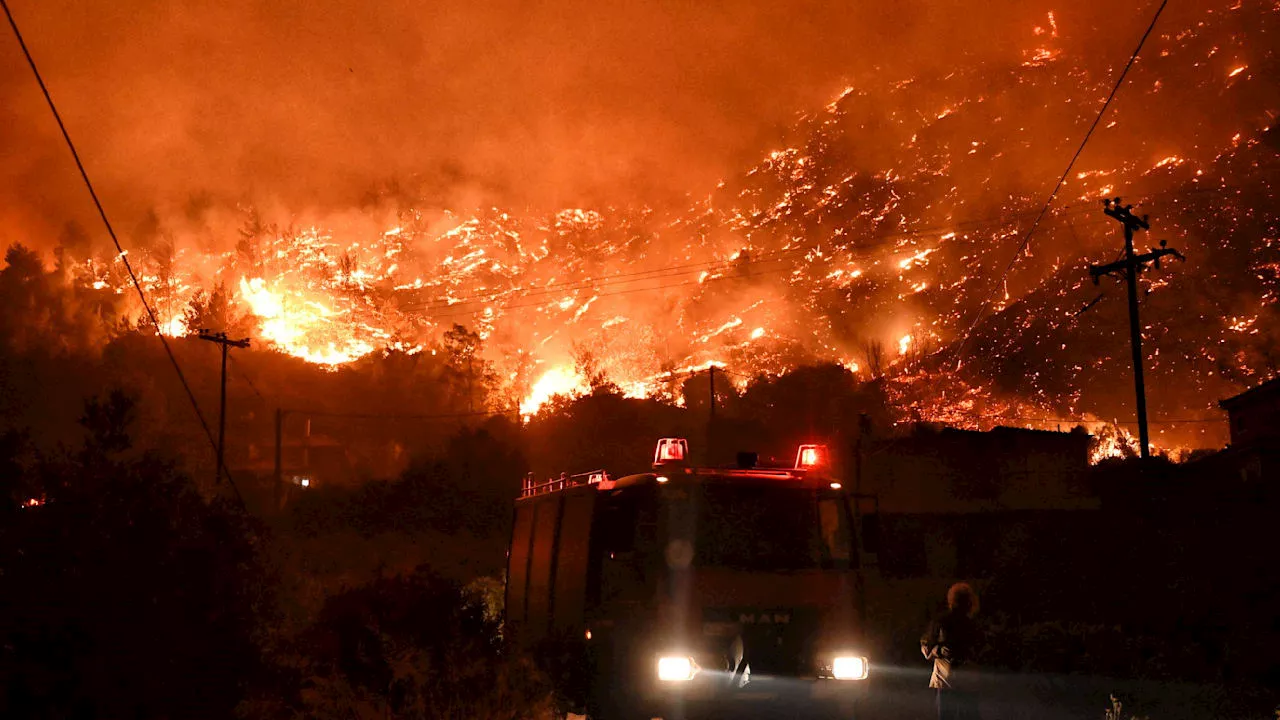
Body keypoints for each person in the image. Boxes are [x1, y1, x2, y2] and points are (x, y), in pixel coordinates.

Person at [921, 582, 982, 720]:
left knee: (948, 715)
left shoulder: (944, 621)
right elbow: (927, 645)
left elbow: (926, 646)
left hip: (948, 679)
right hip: (958, 680)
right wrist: (940, 650)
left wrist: (939, 651)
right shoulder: (967, 624)